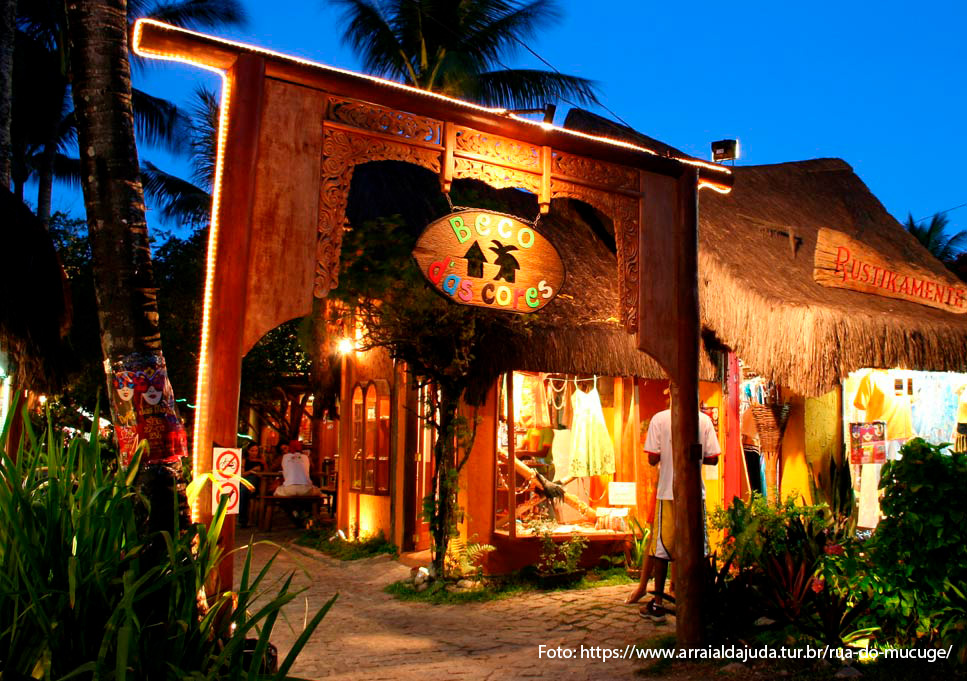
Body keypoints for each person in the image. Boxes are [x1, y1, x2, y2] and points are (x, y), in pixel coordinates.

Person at [627, 393, 721, 623]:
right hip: (694, 494)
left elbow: (652, 458)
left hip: (668, 492)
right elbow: (713, 459)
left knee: (661, 548)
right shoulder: (704, 421)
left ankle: (658, 603)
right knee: (700, 546)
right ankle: (703, 599)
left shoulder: (659, 419)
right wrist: (693, 454)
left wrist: (670, 453)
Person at [238, 442, 266, 528]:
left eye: (256, 450)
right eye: (252, 450)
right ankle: (243, 520)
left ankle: (244, 519)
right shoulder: (244, 460)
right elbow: (241, 474)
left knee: (244, 490)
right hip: (246, 479)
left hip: (258, 481)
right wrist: (252, 471)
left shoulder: (261, 460)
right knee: (243, 490)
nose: (254, 453)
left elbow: (267, 472)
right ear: (248, 451)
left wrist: (261, 470)